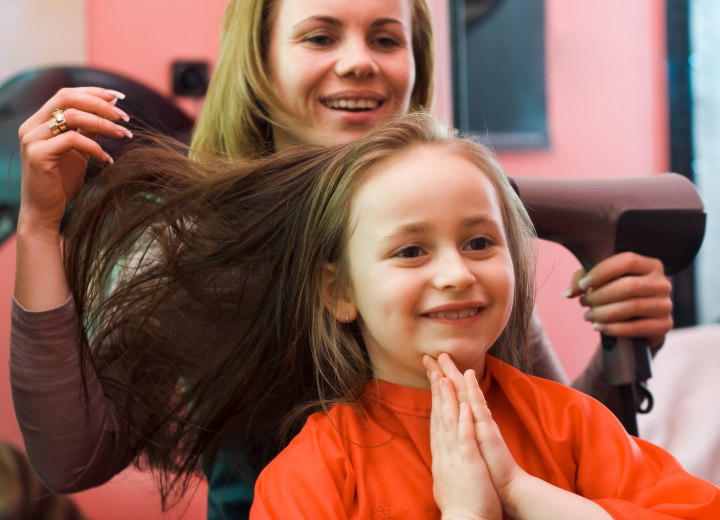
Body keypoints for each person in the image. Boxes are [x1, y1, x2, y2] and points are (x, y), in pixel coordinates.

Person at [11, 0, 673, 515]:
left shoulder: (459, 239)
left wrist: (621, 348)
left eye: (386, 38)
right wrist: (41, 224)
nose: (360, 62)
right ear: (261, 58)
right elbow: (74, 461)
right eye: (320, 36)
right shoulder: (189, 244)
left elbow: (559, 455)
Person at [246, 113, 718, 519]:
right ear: (339, 291)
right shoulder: (315, 475)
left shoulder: (573, 425)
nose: (456, 273)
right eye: (411, 251)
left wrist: (524, 494)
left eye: (479, 243)